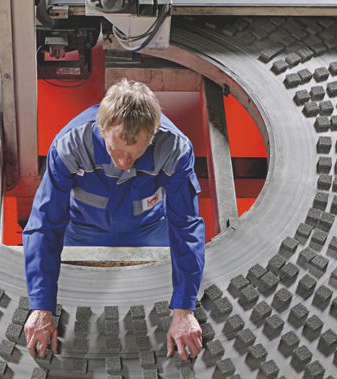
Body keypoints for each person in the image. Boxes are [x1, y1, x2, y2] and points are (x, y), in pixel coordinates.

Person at [22, 79, 206, 361]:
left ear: (153, 135)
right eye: (115, 150)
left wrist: (185, 310)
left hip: (150, 230)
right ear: (102, 127)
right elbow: (45, 223)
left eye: (135, 153)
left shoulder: (174, 149)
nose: (123, 163)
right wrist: (40, 307)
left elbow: (186, 226)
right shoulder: (71, 144)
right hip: (81, 231)